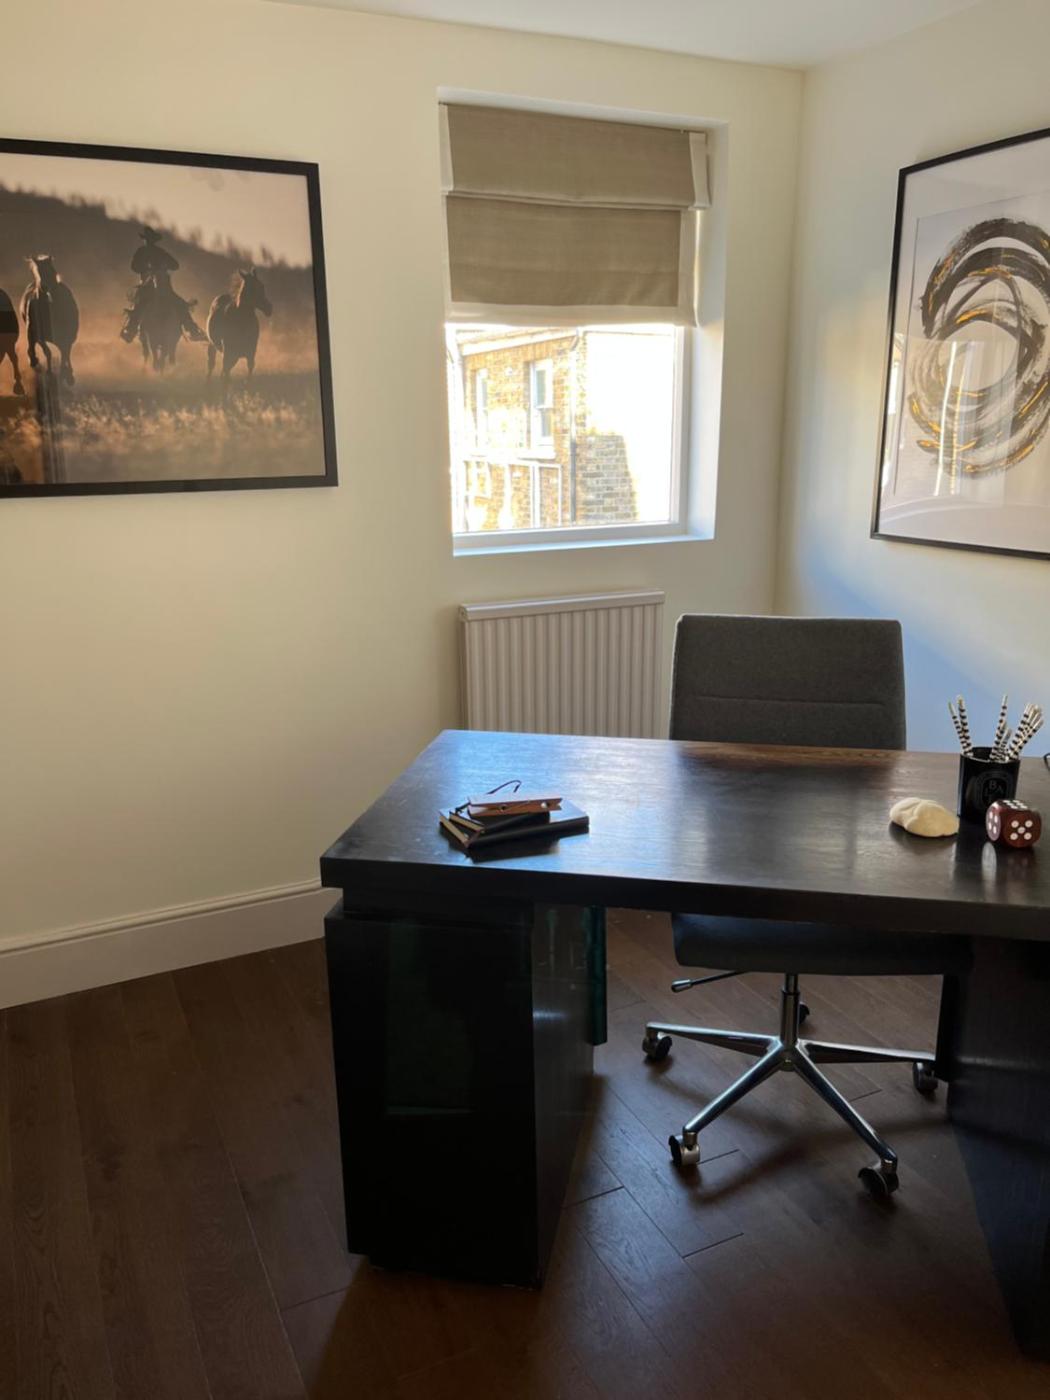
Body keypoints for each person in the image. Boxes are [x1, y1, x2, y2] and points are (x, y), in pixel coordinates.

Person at [121, 227, 207, 343]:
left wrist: (162, 266)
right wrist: (148, 268)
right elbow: (134, 266)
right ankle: (192, 330)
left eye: (149, 239)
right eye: (148, 239)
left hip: (160, 285)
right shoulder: (149, 252)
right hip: (150, 286)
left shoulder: (150, 252)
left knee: (178, 304)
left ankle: (130, 330)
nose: (148, 241)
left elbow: (175, 265)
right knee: (177, 304)